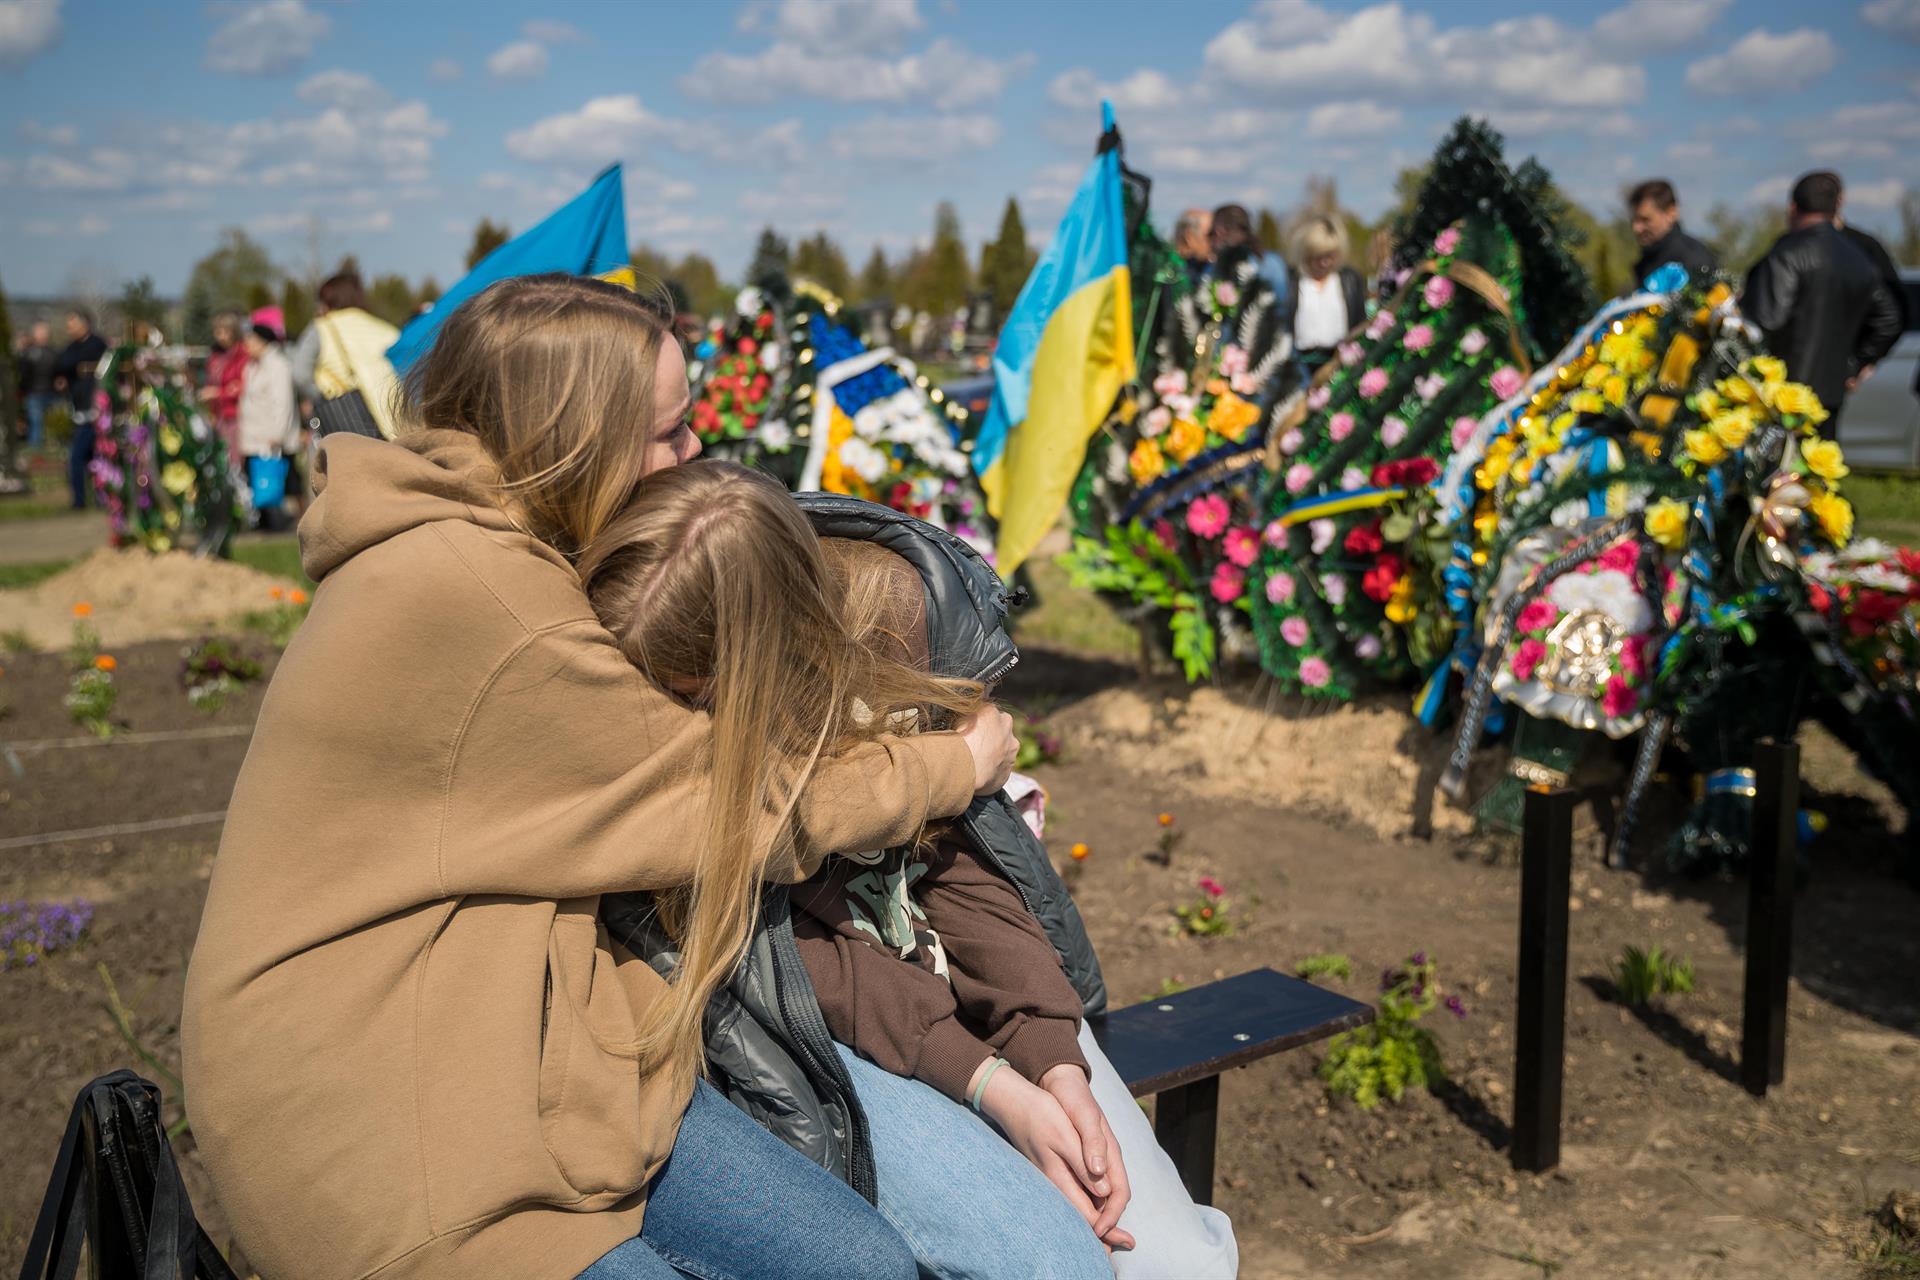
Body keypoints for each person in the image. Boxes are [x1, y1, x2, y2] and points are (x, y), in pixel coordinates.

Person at [181, 272, 1021, 1280]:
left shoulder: (469, 543)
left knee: (858, 1264)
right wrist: (953, 761)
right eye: (668, 434)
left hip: (524, 1051)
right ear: (570, 439)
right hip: (394, 1138)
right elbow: (738, 805)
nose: (693, 457)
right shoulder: (496, 610)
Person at [591, 484, 1238, 1280]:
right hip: (867, 1035)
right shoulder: (708, 764)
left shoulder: (878, 654)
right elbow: (812, 966)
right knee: (1054, 1259)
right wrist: (999, 1087)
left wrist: (1051, 1055)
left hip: (957, 1011)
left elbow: (968, 877)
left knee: (1173, 1258)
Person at [1743, 170, 1904, 430]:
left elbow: (1766, 320)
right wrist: (1855, 363)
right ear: (1836, 207)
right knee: (1817, 461)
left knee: (1777, 467)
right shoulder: (1859, 258)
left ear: (1792, 207)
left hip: (1780, 393)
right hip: (1831, 392)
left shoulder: (1787, 253)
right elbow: (1890, 318)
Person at [291, 269, 402, 439]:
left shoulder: (322, 328)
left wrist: (320, 396)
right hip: (393, 419)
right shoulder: (384, 329)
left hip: (348, 419)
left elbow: (299, 373)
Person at [234, 312, 299, 530]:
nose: (246, 344)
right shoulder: (252, 367)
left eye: (251, 340)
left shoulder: (278, 366)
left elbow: (283, 403)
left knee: (281, 484)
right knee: (260, 485)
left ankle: (288, 525)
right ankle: (264, 525)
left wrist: (277, 434)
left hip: (271, 438)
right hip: (254, 436)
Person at [1281, 216, 1366, 372]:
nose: (1324, 263)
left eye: (1330, 256)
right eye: (1318, 256)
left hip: (1338, 364)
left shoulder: (1350, 279)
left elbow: (1360, 323)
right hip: (1299, 366)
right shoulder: (1291, 280)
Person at [52, 308, 107, 508]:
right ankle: (96, 499)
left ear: (84, 324)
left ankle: (81, 501)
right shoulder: (72, 347)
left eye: (72, 324)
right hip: (80, 408)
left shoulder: (97, 344)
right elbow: (61, 364)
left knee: (79, 457)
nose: (69, 329)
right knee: (91, 458)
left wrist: (75, 368)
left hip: (95, 411)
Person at [1625, 179, 1717, 292]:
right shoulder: (1647, 261)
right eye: (1633, 220)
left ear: (1671, 213)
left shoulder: (1693, 261)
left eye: (1645, 220)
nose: (1636, 228)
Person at [1209, 204, 1289, 305]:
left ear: (1219, 231)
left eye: (1211, 233)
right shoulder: (1273, 261)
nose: (1210, 240)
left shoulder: (1216, 268)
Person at [199, 313, 249, 466]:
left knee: (234, 460)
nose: (221, 336)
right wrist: (211, 410)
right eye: (218, 332)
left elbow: (241, 387)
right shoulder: (215, 356)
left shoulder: (242, 355)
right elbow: (211, 382)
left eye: (225, 332)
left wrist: (217, 393)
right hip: (219, 415)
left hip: (235, 415)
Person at [16, 321, 59, 449]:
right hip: (35, 393)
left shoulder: (52, 353)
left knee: (47, 425)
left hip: (48, 393)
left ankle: (45, 449)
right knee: (36, 424)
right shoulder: (30, 353)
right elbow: (23, 374)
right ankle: (35, 452)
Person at [1173, 207, 1213, 287]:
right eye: (1210, 234)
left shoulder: (1212, 267)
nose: (1216, 241)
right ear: (1189, 236)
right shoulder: (1171, 272)